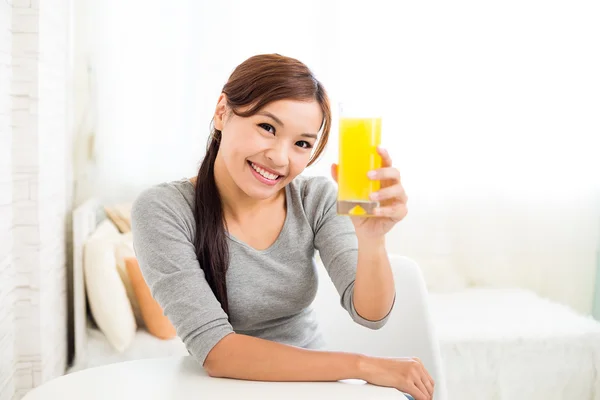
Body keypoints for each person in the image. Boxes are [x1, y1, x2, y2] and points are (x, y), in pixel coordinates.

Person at [131, 53, 434, 400]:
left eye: (302, 143)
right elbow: (217, 352)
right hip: (221, 391)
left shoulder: (314, 198)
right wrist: (364, 367)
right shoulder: (164, 210)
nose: (280, 157)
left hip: (316, 390)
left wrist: (372, 240)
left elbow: (371, 315)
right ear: (221, 112)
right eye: (267, 128)